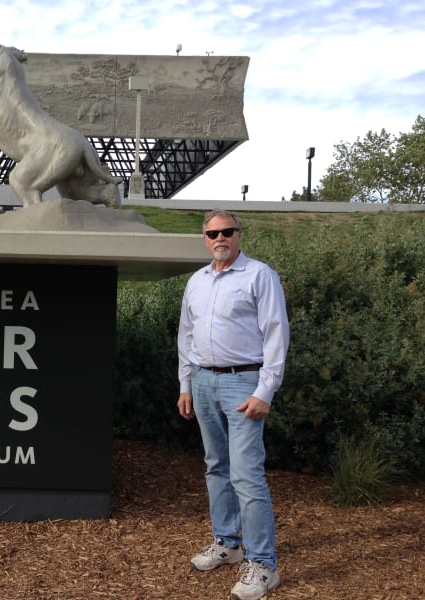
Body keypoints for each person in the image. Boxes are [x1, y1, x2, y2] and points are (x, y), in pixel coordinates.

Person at [177, 209, 289, 600]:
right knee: (216, 467)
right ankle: (227, 543)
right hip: (204, 382)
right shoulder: (197, 281)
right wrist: (185, 384)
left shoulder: (260, 275)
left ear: (239, 235)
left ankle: (263, 565)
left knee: (246, 474)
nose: (219, 238)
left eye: (227, 231)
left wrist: (265, 391)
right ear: (205, 239)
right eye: (212, 233)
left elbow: (277, 333)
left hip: (244, 383)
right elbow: (185, 335)